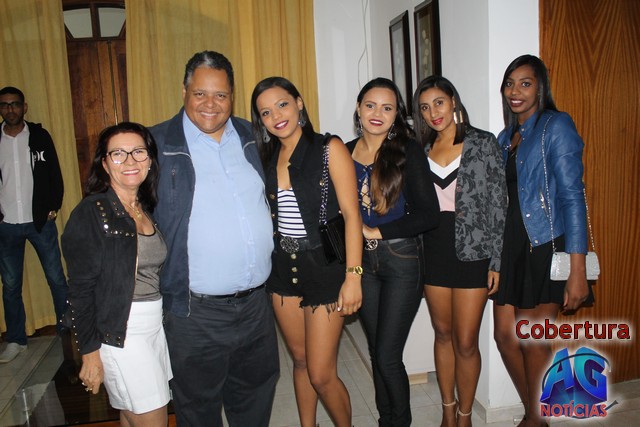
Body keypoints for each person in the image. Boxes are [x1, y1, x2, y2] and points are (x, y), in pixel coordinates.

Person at [150, 51, 279, 427]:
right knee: (198, 409)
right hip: (195, 313)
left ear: (232, 96)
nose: (210, 104)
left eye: (220, 95)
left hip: (256, 307)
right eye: (200, 94)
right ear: (184, 92)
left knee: (254, 400)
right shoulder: (156, 144)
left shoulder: (254, 136)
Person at [251, 76, 363, 427]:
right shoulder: (266, 156)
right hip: (281, 270)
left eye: (282, 104)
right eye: (266, 112)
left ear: (299, 103)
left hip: (324, 268)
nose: (276, 116)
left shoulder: (329, 147)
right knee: (299, 361)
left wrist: (354, 277)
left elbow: (352, 215)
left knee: (321, 373)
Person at [492, 55, 593, 427]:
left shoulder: (556, 125)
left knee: (532, 339)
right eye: (510, 83)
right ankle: (536, 413)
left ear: (540, 88)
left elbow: (573, 197)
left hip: (545, 242)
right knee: (505, 336)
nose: (515, 91)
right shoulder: (505, 137)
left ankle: (534, 420)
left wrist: (577, 270)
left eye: (525, 83)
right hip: (511, 245)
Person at [61, 122, 171, 426]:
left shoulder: (143, 208)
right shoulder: (92, 212)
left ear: (150, 159)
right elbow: (80, 290)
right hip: (122, 334)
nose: (130, 161)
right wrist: (90, 354)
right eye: (118, 154)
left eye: (138, 152)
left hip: (152, 328)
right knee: (152, 417)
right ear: (105, 163)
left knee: (131, 413)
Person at [413, 76, 506, 427]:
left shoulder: (483, 143)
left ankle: (465, 416)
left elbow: (499, 204)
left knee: (466, 341)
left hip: (474, 252)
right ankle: (448, 411)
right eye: (425, 107)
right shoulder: (421, 150)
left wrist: (496, 260)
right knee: (442, 334)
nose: (433, 112)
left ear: (453, 100)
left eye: (438, 102)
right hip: (433, 249)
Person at [347, 77, 439, 427]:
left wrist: (376, 230)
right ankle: (386, 419)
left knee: (387, 355)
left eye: (387, 108)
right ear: (358, 108)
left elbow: (428, 214)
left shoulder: (407, 150)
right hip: (362, 263)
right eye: (370, 105)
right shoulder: (343, 151)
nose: (377, 113)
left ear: (396, 114)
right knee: (376, 351)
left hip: (401, 259)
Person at [0, 86, 68, 364]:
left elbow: (54, 174)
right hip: (6, 224)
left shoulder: (39, 137)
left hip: (40, 222)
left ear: (24, 107)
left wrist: (54, 206)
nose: (10, 109)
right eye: (5, 105)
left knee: (56, 278)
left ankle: (68, 333)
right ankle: (16, 340)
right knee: (10, 285)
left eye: (15, 104)